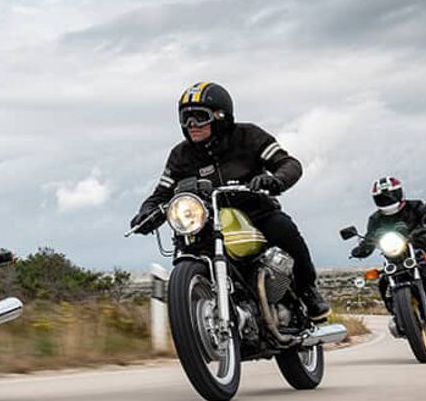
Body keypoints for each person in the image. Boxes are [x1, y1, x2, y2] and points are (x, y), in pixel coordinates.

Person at [131, 81, 330, 320]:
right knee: (185, 246)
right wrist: (147, 213)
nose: (191, 125)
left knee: (283, 229)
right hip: (205, 222)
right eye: (185, 118)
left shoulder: (249, 136)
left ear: (220, 116)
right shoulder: (180, 155)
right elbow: (161, 194)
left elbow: (288, 163)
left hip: (255, 213)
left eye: (199, 117)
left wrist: (275, 180)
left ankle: (307, 290)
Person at [349, 176, 426, 318]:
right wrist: (361, 249)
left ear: (399, 193)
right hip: (394, 258)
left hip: (420, 249)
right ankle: (398, 315)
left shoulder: (415, 206)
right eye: (382, 198)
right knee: (383, 283)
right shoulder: (375, 219)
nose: (386, 200)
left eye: (389, 196)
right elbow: (370, 237)